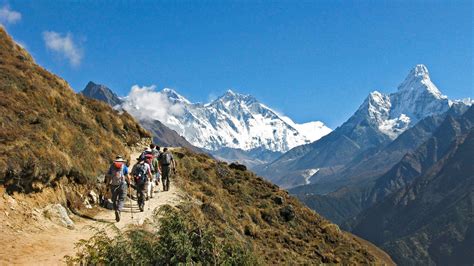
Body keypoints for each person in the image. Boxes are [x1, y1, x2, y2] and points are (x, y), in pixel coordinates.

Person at [106, 155, 130, 222]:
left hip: (113, 185)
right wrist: (129, 182)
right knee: (121, 199)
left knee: (114, 199)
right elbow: (127, 176)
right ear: (122, 161)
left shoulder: (112, 166)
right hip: (122, 184)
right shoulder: (124, 166)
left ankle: (116, 209)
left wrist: (107, 184)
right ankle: (119, 210)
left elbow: (109, 176)